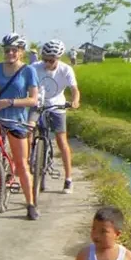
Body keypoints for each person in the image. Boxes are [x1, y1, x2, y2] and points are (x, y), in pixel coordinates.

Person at [0, 33, 40, 220]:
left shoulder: (28, 71)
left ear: (21, 52)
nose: (9, 53)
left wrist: (9, 102)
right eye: (6, 50)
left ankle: (30, 203)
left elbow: (33, 99)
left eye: (13, 50)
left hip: (17, 121)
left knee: (21, 163)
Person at [28, 39, 81, 194]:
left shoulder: (66, 70)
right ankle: (30, 160)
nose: (47, 63)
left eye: (51, 60)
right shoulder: (34, 67)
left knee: (61, 140)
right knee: (29, 131)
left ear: (58, 58)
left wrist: (75, 101)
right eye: (45, 59)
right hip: (38, 105)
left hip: (57, 106)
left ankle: (68, 178)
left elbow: (74, 89)